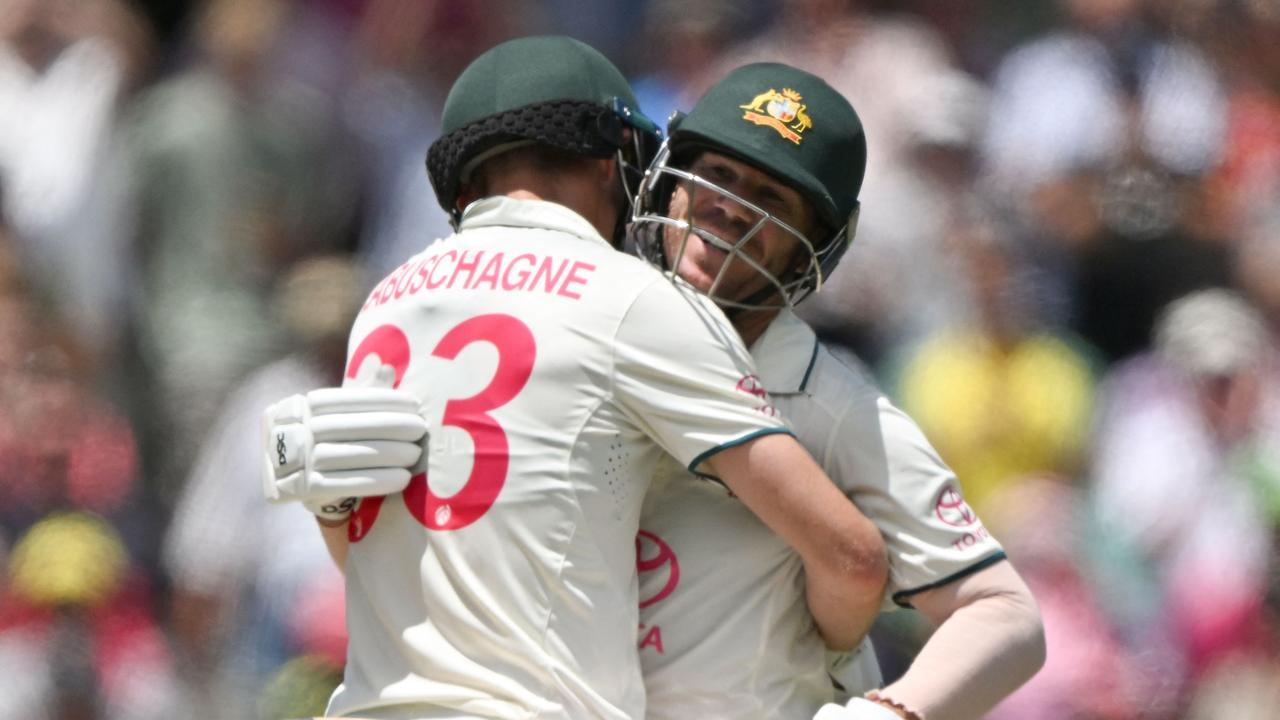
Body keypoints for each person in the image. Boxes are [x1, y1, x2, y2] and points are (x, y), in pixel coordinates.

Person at [260, 36, 888, 719]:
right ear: (612, 158)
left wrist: (327, 509)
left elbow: (400, 569)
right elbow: (852, 559)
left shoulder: (387, 302)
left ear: (465, 182)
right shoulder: (636, 301)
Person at [628, 62, 1046, 720]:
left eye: (770, 199)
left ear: (811, 250)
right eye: (719, 173)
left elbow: (1004, 615)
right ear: (668, 183)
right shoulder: (591, 336)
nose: (731, 206)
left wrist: (883, 715)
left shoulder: (834, 405)